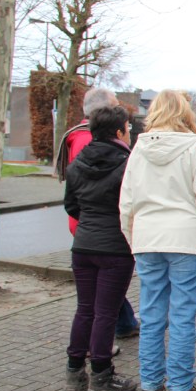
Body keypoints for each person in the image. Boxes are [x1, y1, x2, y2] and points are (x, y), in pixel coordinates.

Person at [120, 90, 196, 391]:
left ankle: (150, 389)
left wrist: (133, 240)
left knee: (151, 316)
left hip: (148, 240)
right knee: (182, 317)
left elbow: (127, 203)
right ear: (185, 113)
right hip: (186, 241)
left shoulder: (138, 151)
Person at [63, 105, 137, 391]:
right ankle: (101, 376)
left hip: (83, 245)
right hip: (115, 248)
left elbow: (71, 206)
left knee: (85, 309)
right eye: (128, 128)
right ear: (119, 131)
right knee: (106, 313)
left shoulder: (77, 163)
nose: (130, 133)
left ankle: (74, 372)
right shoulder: (128, 165)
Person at [57, 88, 139, 340]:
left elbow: (72, 200)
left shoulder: (78, 140)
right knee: (102, 309)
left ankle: (83, 355)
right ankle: (101, 354)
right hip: (107, 238)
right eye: (114, 106)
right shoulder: (104, 149)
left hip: (86, 234)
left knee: (91, 307)